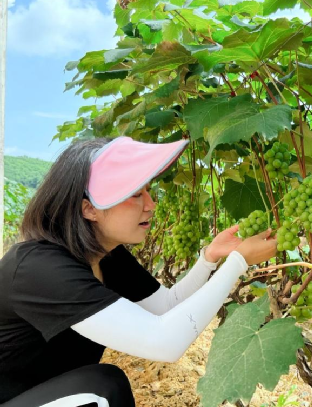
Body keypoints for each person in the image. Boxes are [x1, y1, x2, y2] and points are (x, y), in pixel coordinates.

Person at [0, 136, 278, 407]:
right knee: (104, 387)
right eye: (135, 195)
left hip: (48, 394)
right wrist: (238, 262)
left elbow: (167, 305)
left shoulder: (107, 256)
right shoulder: (39, 269)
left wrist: (210, 258)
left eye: (147, 191)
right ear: (89, 209)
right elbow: (165, 343)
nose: (151, 205)